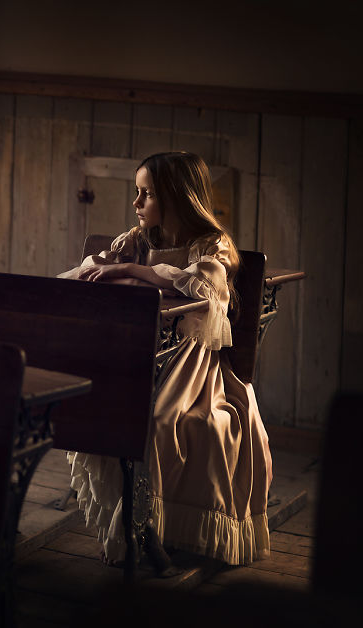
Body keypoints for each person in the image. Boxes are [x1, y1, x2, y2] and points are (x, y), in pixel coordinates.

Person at [58, 151, 272, 566]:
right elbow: (102, 266)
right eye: (137, 193)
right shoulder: (140, 239)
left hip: (191, 361)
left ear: (176, 197)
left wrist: (137, 274)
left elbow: (204, 288)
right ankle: (129, 528)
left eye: (147, 194)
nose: (136, 204)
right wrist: (102, 270)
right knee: (104, 409)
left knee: (159, 420)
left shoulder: (212, 245)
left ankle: (152, 528)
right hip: (140, 350)